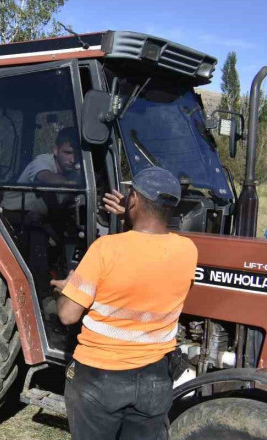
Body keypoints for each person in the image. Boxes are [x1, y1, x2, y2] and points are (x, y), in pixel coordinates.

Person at [50, 166, 198, 440]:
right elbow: (149, 249)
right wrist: (132, 213)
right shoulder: (188, 251)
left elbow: (68, 315)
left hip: (99, 377)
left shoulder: (106, 249)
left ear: (133, 200)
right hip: (155, 377)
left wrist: (66, 288)